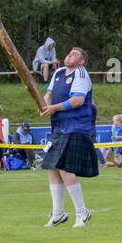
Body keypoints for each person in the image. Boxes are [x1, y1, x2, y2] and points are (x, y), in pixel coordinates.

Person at [40, 46, 97, 227]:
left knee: (65, 167)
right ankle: (58, 213)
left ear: (81, 61)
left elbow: (77, 100)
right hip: (59, 127)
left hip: (77, 126)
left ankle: (82, 212)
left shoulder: (81, 74)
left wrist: (54, 108)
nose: (69, 56)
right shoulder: (59, 73)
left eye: (74, 55)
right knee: (52, 167)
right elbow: (49, 94)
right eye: (69, 53)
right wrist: (44, 104)